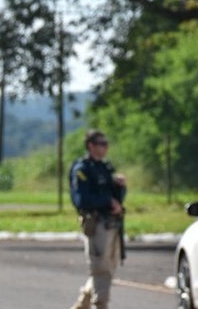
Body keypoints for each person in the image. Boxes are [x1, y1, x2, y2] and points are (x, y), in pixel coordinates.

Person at [68, 130, 126, 309]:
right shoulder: (82, 170)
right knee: (101, 270)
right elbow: (82, 200)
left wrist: (120, 188)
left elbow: (116, 196)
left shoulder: (105, 168)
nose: (105, 147)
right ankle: (99, 305)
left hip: (112, 225)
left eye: (106, 143)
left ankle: (81, 306)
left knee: (106, 269)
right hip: (96, 224)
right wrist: (108, 202)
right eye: (101, 143)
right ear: (91, 146)